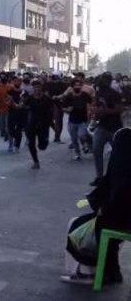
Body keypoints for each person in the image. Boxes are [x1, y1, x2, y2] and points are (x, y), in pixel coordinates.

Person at [62, 127, 131, 286]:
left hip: (122, 220)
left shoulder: (121, 171)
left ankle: (97, 272)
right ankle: (112, 270)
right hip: (123, 217)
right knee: (102, 223)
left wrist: (101, 207)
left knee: (79, 226)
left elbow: (113, 197)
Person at [90, 73, 124, 186]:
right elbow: (98, 106)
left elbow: (119, 110)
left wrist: (104, 111)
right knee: (96, 150)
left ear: (108, 81)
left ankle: (119, 177)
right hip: (102, 126)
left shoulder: (114, 94)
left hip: (114, 127)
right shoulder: (99, 93)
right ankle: (99, 177)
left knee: (119, 154)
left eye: (102, 79)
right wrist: (95, 115)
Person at [60, 79, 92, 161]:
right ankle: (78, 154)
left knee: (81, 135)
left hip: (83, 120)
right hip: (72, 121)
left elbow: (91, 104)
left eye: (79, 85)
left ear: (81, 86)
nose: (77, 87)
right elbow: (63, 108)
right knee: (74, 139)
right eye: (75, 85)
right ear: (72, 86)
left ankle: (86, 145)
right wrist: (67, 110)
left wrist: (89, 111)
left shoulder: (85, 95)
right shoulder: (69, 96)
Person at [24, 80, 53, 170]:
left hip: (43, 124)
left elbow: (52, 110)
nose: (37, 89)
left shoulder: (47, 99)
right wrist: (12, 102)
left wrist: (53, 123)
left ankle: (44, 141)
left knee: (42, 146)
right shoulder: (29, 98)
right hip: (32, 124)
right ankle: (35, 162)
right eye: (35, 87)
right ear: (33, 88)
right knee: (31, 143)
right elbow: (21, 106)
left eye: (38, 87)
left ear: (41, 88)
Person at [6, 76, 26, 154]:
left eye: (18, 81)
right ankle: (13, 142)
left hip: (21, 112)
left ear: (20, 82)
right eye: (15, 81)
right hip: (11, 112)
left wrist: (18, 105)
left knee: (19, 130)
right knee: (10, 129)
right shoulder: (9, 91)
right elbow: (7, 101)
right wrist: (12, 103)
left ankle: (17, 146)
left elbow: (24, 101)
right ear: (13, 82)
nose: (17, 82)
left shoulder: (23, 92)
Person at [0, 74, 11, 141]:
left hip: (8, 107)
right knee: (1, 123)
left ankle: (7, 133)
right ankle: (3, 132)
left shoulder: (10, 86)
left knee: (7, 122)